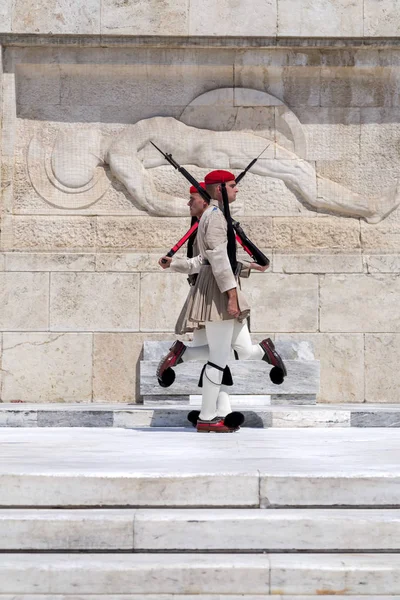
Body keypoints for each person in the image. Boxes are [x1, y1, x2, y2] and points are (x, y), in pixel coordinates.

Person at [157, 172, 286, 433]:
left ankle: (190, 357)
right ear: (218, 190)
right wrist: (231, 296)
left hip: (219, 287)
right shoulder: (214, 219)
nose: (237, 189)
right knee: (218, 357)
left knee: (240, 350)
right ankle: (207, 417)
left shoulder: (212, 218)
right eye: (232, 185)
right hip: (218, 292)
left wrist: (176, 264)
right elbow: (217, 262)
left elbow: (202, 261)